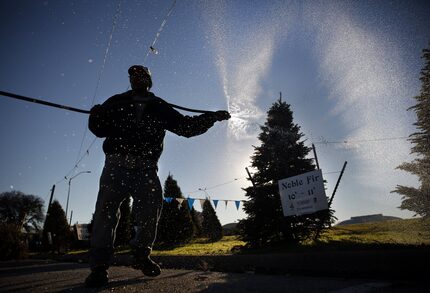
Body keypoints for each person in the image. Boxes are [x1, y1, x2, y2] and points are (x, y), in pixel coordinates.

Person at [84, 65, 230, 287]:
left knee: (151, 211)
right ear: (130, 80)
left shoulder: (159, 106)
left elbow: (186, 127)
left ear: (149, 81)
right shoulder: (116, 102)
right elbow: (99, 129)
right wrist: (95, 115)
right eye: (133, 75)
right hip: (115, 166)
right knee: (105, 214)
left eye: (142, 75)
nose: (137, 78)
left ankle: (141, 255)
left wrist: (211, 117)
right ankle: (99, 268)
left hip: (146, 169)